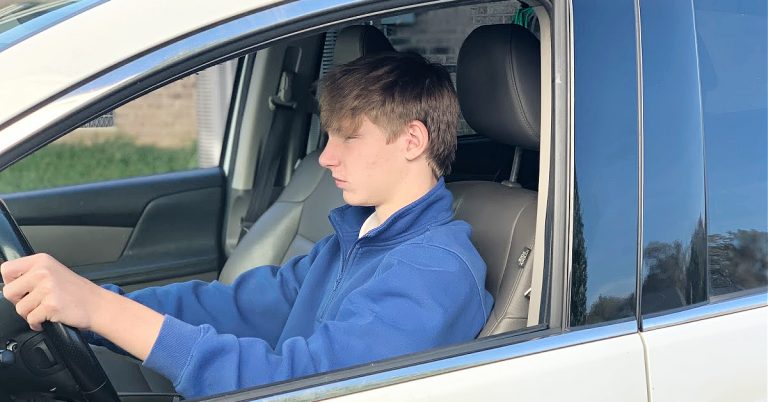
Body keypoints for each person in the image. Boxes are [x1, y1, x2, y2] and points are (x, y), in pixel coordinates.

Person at [0, 52, 493, 398]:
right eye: (327, 136)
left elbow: (308, 386)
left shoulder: (435, 273)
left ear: (411, 140)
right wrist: (97, 308)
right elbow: (233, 307)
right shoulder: (357, 238)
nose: (325, 156)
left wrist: (101, 312)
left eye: (347, 137)